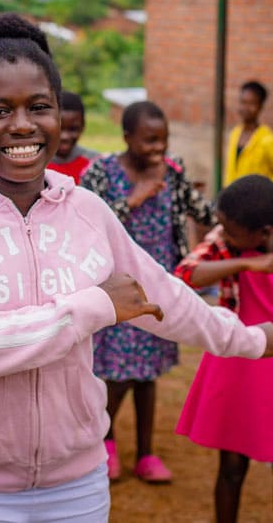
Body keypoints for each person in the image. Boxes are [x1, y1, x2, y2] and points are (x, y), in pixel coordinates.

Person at [0, 12, 273, 523]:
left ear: (58, 117)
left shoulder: (86, 211)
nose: (22, 125)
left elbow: (160, 294)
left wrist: (247, 339)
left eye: (39, 107)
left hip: (78, 484)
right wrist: (91, 308)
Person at [173, 174, 273, 523]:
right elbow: (184, 275)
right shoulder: (228, 236)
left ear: (262, 231)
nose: (222, 234)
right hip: (236, 354)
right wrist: (244, 262)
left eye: (230, 232)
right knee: (231, 465)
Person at [80, 100, 215, 484]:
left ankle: (145, 454)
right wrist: (133, 199)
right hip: (116, 291)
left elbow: (202, 211)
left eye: (164, 140)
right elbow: (87, 225)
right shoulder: (102, 172)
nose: (159, 148)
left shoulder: (172, 172)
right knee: (118, 373)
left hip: (158, 292)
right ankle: (103, 444)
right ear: (127, 138)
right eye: (150, 140)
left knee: (147, 376)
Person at [225, 80, 273, 191]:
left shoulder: (267, 140)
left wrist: (262, 190)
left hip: (256, 204)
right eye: (243, 102)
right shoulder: (235, 134)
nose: (246, 108)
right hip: (235, 202)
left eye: (251, 104)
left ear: (260, 107)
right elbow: (230, 172)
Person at [47, 90, 98, 184]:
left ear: (83, 127)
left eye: (73, 129)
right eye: (59, 129)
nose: (64, 136)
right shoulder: (35, 163)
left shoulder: (95, 163)